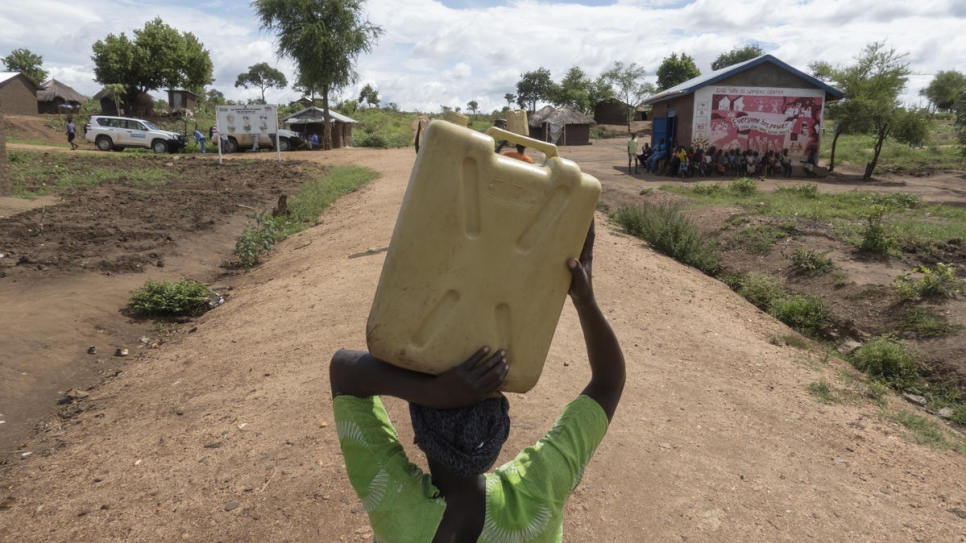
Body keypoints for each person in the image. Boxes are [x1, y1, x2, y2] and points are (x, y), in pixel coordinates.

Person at [329, 221, 625, 543]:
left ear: (420, 433)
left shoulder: (396, 507)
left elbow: (344, 371)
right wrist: (586, 301)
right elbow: (608, 383)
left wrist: (434, 392)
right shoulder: (539, 489)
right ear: (497, 434)